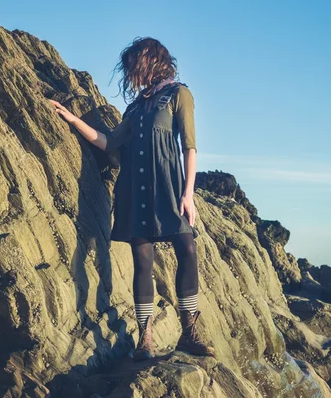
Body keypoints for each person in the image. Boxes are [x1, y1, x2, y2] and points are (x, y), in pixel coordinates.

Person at [48, 36, 215, 361]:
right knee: (143, 262)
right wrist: (73, 120)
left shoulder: (179, 94)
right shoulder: (137, 108)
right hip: (135, 190)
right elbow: (109, 143)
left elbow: (190, 146)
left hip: (170, 189)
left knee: (188, 249)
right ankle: (145, 339)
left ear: (149, 63)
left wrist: (188, 193)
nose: (131, 76)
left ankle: (189, 332)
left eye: (134, 68)